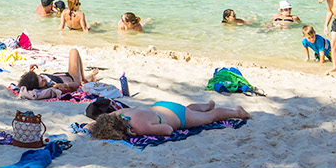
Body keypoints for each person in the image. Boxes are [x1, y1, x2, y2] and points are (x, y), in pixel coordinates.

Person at [86, 96, 251, 140]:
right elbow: (97, 122)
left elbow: (168, 130)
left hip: (177, 117)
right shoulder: (119, 114)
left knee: (210, 117)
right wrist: (90, 126)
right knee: (189, 110)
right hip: (161, 106)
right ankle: (204, 105)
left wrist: (137, 134)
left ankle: (238, 113)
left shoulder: (139, 127)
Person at [15, 48, 94, 99]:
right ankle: (83, 79)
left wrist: (30, 72)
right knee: (73, 51)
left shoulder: (37, 81)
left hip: (64, 75)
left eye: (41, 77)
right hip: (73, 78)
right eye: (42, 82)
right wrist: (63, 86)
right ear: (40, 87)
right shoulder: (52, 87)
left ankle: (88, 77)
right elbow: (76, 86)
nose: (44, 79)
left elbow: (29, 82)